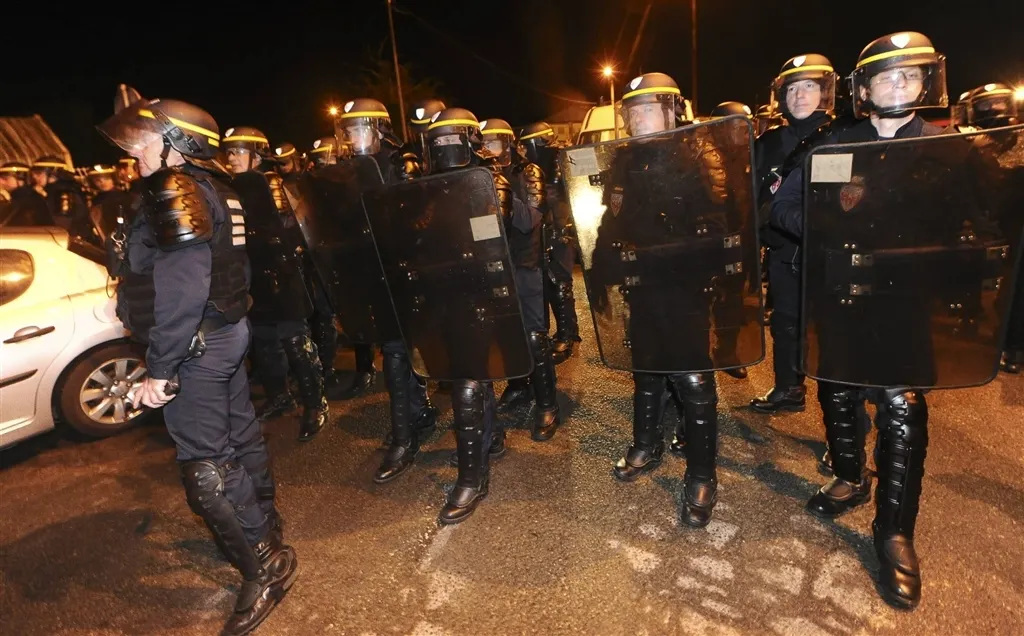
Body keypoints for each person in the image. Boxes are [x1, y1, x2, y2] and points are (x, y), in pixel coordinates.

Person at [97, 85, 297, 633]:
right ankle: (265, 525)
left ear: (177, 144)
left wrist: (161, 370)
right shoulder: (214, 185)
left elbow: (185, 288)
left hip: (197, 344)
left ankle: (265, 565)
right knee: (241, 436)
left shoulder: (176, 189)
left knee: (206, 469)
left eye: (145, 141)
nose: (134, 152)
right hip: (223, 331)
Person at [771, 33, 951, 609]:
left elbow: (976, 221)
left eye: (908, 76)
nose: (897, 86)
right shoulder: (837, 145)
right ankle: (850, 477)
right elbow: (784, 206)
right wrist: (827, 227)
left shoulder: (947, 148)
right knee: (837, 390)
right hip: (843, 294)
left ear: (926, 82)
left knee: (902, 409)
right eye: (885, 77)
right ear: (864, 90)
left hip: (906, 304)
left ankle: (895, 533)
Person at [587, 72, 724, 528]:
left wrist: (686, 260)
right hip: (641, 284)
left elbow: (720, 224)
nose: (639, 118)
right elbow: (611, 219)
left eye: (649, 108)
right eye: (634, 110)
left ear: (671, 111)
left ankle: (702, 474)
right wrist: (600, 268)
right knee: (646, 369)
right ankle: (647, 444)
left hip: (684, 287)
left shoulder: (698, 154)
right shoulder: (625, 160)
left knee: (693, 380)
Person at [330, 98, 439, 481]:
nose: (353, 138)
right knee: (395, 353)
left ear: (379, 130)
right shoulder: (349, 172)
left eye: (359, 129)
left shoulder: (401, 164)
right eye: (348, 131)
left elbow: (420, 221)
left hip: (406, 273)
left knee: (401, 354)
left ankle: (405, 436)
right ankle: (413, 418)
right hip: (373, 274)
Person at [222, 126, 327, 441]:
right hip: (253, 278)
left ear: (256, 156)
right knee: (264, 343)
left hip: (282, 276)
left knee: (296, 344)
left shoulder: (274, 185)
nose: (231, 157)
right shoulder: (229, 187)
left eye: (239, 151)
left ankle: (315, 404)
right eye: (229, 152)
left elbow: (295, 227)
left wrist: (285, 255)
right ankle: (280, 396)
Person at [749, 54, 838, 415]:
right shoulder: (768, 142)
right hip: (783, 248)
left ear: (825, 92)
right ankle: (789, 388)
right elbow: (751, 193)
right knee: (785, 321)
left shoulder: (841, 135)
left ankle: (839, 406)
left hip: (830, 252)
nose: (799, 95)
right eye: (792, 89)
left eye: (809, 86)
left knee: (831, 328)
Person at [481, 118, 561, 442]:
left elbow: (529, 220)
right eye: (483, 143)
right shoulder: (480, 175)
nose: (487, 149)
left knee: (534, 338)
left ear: (507, 143)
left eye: (493, 142)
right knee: (505, 335)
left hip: (526, 265)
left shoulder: (529, 173)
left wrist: (497, 186)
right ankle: (518, 385)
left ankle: (547, 404)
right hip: (497, 265)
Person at [961, 83, 1024, 373]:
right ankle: (971, 318)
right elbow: (965, 190)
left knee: (1016, 285)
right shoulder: (968, 143)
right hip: (983, 222)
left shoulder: (1019, 138)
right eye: (987, 105)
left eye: (999, 103)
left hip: (1015, 223)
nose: (995, 110)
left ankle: (1013, 345)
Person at [518, 121, 582, 363]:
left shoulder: (562, 160)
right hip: (543, 230)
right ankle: (556, 333)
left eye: (527, 146)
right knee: (546, 282)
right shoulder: (530, 168)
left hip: (560, 231)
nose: (523, 151)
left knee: (559, 283)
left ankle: (568, 335)